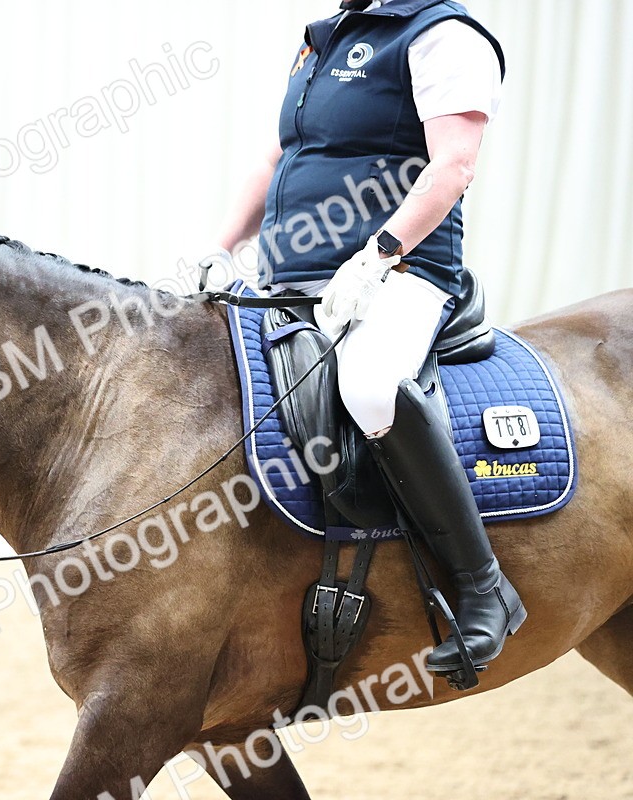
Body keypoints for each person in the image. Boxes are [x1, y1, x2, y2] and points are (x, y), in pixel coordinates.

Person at [221, 0, 525, 676]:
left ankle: (485, 588)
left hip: (401, 271)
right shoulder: (321, 41)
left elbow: (453, 165)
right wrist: (220, 246)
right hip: (294, 276)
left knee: (371, 387)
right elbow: (278, 158)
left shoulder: (443, 35)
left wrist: (377, 255)